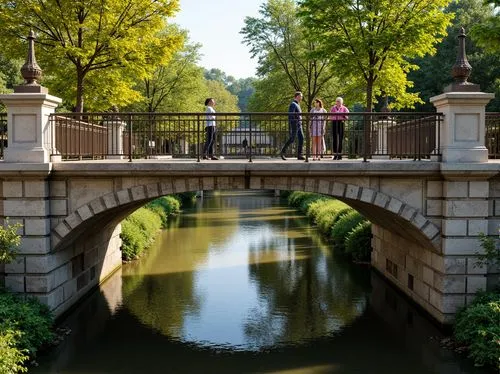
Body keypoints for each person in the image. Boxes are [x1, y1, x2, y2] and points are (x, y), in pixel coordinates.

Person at [281, 91, 305, 160]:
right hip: (295, 124)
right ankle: (283, 152)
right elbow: (291, 115)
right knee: (292, 139)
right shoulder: (293, 104)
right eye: (301, 96)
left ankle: (299, 155)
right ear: (297, 96)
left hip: (299, 125)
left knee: (301, 138)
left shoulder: (297, 104)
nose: (302, 97)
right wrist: (295, 122)